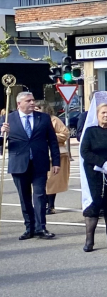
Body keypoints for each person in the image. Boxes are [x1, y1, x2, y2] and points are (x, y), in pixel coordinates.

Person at [3, 90, 61, 240]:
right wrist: (2, 133)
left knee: (40, 195)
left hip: (39, 162)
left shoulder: (43, 118)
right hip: (19, 163)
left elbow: (53, 141)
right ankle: (29, 228)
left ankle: (41, 227)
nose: (32, 103)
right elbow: (1, 145)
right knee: (24, 197)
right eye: (28, 101)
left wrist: (56, 161)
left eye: (33, 100)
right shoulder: (8, 119)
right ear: (19, 104)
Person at [81, 97, 107, 252]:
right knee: (95, 204)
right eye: (103, 113)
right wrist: (102, 163)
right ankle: (89, 240)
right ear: (97, 115)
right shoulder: (91, 131)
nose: (106, 115)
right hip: (95, 174)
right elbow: (84, 151)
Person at [37, 100, 70, 216]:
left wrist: (50, 135)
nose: (36, 110)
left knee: (52, 181)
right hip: (39, 154)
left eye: (38, 108)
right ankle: (42, 204)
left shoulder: (54, 120)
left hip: (55, 154)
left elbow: (65, 134)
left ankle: (50, 205)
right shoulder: (34, 120)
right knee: (41, 181)